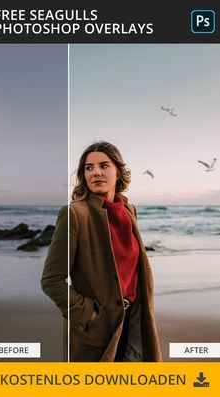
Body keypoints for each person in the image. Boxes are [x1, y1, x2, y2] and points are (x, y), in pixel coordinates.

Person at [41, 141, 162, 362]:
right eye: (89, 168)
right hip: (95, 330)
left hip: (133, 320)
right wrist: (87, 314)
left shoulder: (129, 211)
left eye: (104, 166)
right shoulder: (74, 214)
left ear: (118, 172)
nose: (96, 172)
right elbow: (51, 280)